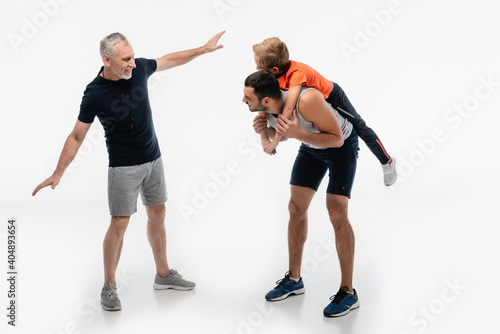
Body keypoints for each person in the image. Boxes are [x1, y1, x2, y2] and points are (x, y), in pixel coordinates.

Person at [32, 31, 225, 311]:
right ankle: (109, 286)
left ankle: (163, 275)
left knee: (158, 214)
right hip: (123, 167)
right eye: (125, 59)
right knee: (120, 223)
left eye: (132, 56)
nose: (132, 63)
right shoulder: (95, 93)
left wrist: (202, 50)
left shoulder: (139, 69)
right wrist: (58, 173)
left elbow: (169, 59)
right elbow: (76, 136)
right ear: (106, 60)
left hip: (153, 159)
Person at [242, 70, 360, 317]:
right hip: (311, 147)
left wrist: (297, 134)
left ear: (265, 99)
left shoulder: (307, 101)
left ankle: (348, 292)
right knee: (296, 207)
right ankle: (294, 280)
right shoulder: (266, 109)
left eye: (247, 97)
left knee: (336, 211)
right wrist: (264, 132)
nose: (243, 101)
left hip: (341, 146)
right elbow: (276, 139)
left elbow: (336, 139)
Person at [252, 37, 397, 186]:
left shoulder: (297, 72)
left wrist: (274, 142)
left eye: (259, 66)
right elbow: (261, 104)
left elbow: (288, 109)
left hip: (331, 97)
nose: (256, 69)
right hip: (315, 104)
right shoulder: (270, 76)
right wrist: (265, 139)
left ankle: (387, 161)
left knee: (360, 126)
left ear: (274, 70)